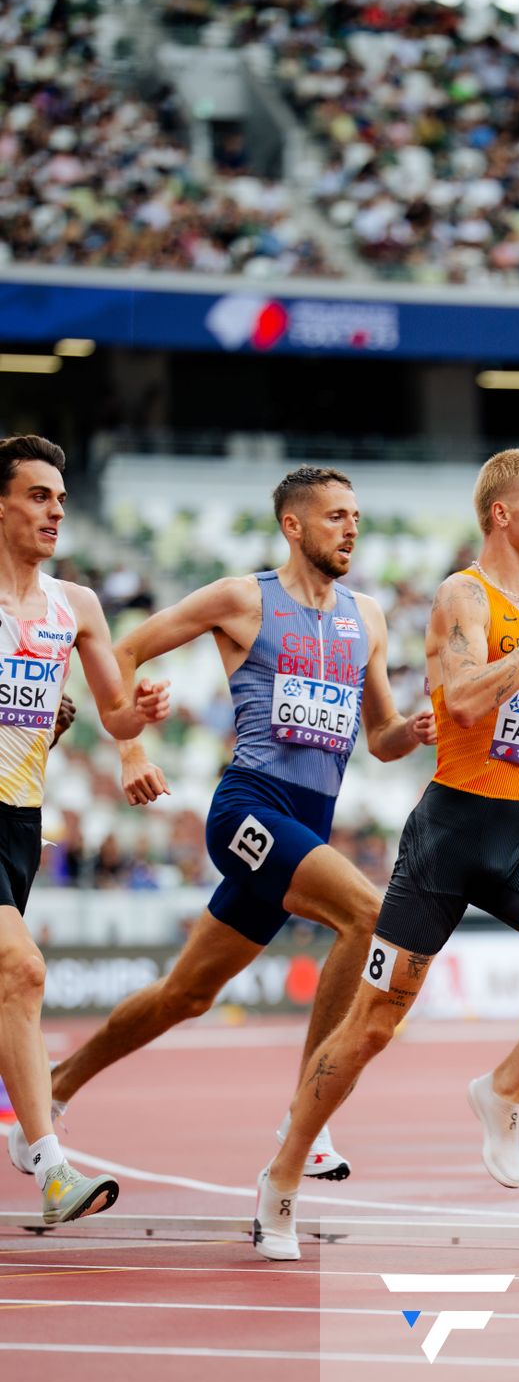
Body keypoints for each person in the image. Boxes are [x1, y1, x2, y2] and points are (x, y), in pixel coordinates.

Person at [256, 447, 519, 1259]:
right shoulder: (466, 594)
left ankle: (501, 1089)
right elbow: (462, 701)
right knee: (371, 1026)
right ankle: (282, 1179)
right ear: (502, 514)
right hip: (448, 839)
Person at [8, 464, 434, 1188]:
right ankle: (311, 1109)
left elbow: (381, 733)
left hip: (309, 824)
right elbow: (125, 650)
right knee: (368, 915)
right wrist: (133, 744)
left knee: (186, 996)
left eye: (357, 516)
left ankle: (55, 1086)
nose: (352, 528)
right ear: (293, 526)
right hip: (250, 810)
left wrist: (416, 731)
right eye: (335, 516)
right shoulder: (244, 598)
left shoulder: (367, 617)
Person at [0, 434, 170, 1223]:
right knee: (22, 968)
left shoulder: (78, 607)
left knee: (12, 980)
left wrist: (141, 720)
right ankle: (50, 1164)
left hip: (17, 822)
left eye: (62, 500)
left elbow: (115, 710)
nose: (55, 511)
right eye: (38, 496)